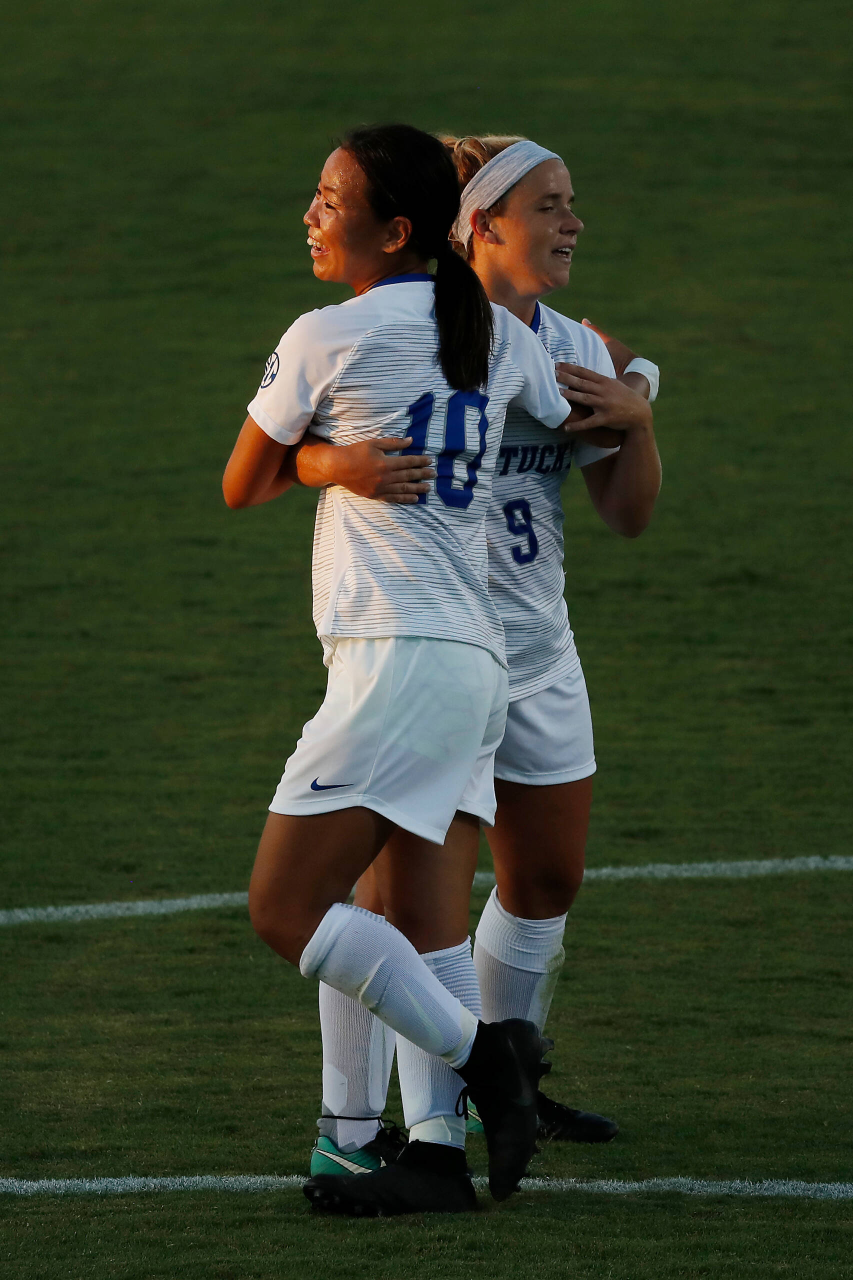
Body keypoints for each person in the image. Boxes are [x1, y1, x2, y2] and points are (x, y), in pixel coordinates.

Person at [222, 125, 593, 1215]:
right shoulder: (492, 330)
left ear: (393, 230)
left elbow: (243, 482)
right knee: (425, 926)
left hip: (398, 661)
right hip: (476, 667)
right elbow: (571, 399)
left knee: (285, 905)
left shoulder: (326, 335)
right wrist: (641, 389)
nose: (309, 215)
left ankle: (485, 1060)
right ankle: (432, 1155)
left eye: (328, 199)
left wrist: (325, 460)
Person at [284, 136, 662, 1195]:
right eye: (550, 204)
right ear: (479, 225)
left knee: (544, 880)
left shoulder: (569, 346)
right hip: (426, 644)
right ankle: (384, 1119)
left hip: (535, 652)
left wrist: (637, 408)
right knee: (395, 896)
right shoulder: (410, 330)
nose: (572, 222)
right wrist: (332, 462)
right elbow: (294, 439)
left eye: (571, 202)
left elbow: (627, 508)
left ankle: (507, 1080)